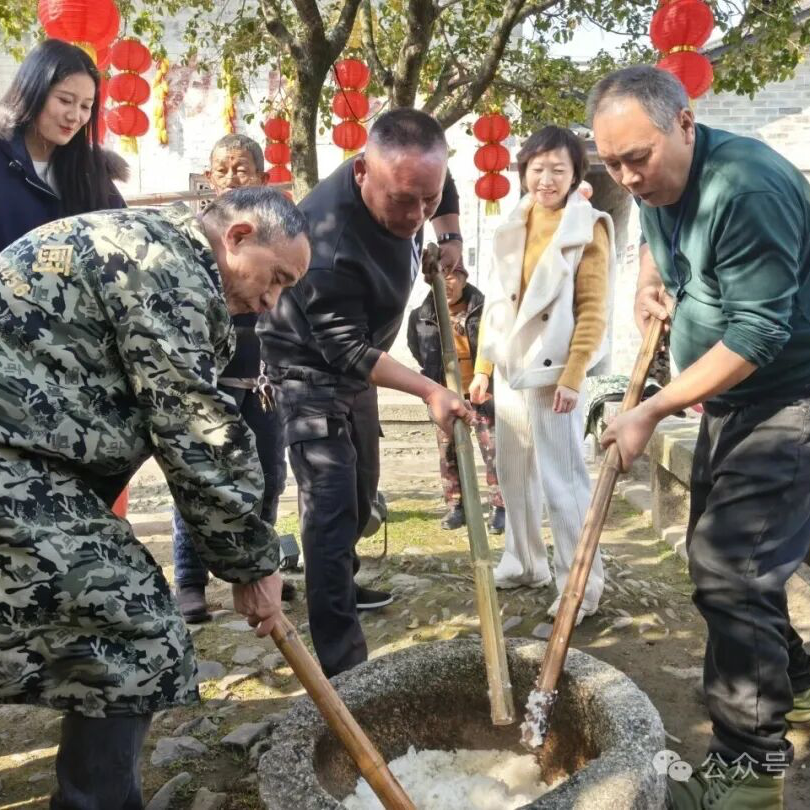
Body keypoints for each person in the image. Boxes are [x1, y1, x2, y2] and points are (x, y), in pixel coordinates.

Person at [0, 187, 309, 808]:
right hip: (15, 459)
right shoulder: (164, 266)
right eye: (276, 278)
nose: (272, 300)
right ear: (239, 236)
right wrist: (252, 563)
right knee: (135, 627)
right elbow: (195, 430)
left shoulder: (168, 252)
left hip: (34, 459)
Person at [591, 65, 810, 809]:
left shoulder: (747, 187)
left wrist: (650, 410)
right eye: (611, 164)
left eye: (637, 159)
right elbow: (660, 240)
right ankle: (796, 685)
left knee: (730, 564)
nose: (627, 177)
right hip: (731, 402)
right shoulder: (659, 185)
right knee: (730, 561)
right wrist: (651, 281)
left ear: (685, 122)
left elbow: (758, 332)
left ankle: (750, 771)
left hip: (790, 396)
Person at [257, 108, 472, 679]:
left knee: (361, 495)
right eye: (404, 200)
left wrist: (447, 234)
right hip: (308, 369)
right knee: (329, 510)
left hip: (361, 366)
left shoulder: (419, 176)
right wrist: (429, 390)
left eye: (425, 200)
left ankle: (343, 583)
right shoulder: (326, 242)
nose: (415, 214)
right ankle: (343, 667)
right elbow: (344, 350)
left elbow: (440, 184)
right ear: (361, 172)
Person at [470, 125, 615, 626]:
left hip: (556, 373)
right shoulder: (514, 221)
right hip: (511, 366)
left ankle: (581, 583)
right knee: (513, 475)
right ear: (522, 170)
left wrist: (576, 375)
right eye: (537, 167)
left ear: (576, 174)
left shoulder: (587, 226)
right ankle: (525, 561)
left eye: (558, 168)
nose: (546, 178)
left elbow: (594, 309)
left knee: (563, 481)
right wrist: (483, 366)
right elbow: (495, 300)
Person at [171, 134, 291, 623]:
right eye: (221, 170)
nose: (230, 179)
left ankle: (258, 571)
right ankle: (189, 581)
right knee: (197, 474)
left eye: (241, 169)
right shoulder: (199, 248)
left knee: (268, 476)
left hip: (261, 384)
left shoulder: (275, 245)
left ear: (261, 178)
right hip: (209, 384)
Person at [0, 38, 128, 252]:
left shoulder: (91, 170)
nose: (75, 116)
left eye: (86, 106)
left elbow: (124, 237)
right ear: (33, 91)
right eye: (65, 100)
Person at [407, 261, 505, 532]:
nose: (446, 283)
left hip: (482, 393)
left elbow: (496, 344)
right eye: (440, 277)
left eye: (451, 276)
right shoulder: (422, 315)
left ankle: (499, 506)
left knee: (494, 450)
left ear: (463, 277)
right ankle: (456, 507)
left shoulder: (484, 310)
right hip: (445, 395)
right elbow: (417, 348)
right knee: (448, 453)